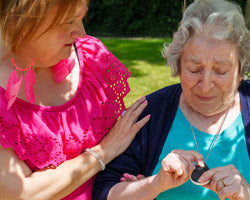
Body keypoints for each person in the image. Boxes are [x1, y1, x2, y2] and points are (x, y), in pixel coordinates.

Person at [93, 0, 250, 199]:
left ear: (241, 69)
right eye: (194, 69)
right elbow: (105, 191)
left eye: (221, 71)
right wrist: (154, 185)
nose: (206, 84)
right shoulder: (151, 113)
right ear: (178, 65)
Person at [0, 0, 149, 199]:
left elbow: (123, 146)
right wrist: (103, 152)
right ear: (21, 23)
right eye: (67, 22)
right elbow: (20, 194)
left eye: (81, 17)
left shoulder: (92, 57)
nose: (81, 32)